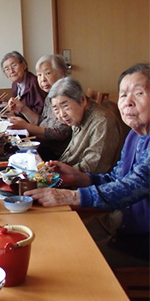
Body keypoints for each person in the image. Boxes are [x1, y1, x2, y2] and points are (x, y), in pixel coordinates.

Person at [24, 63, 150, 267]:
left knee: (64, 257)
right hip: (123, 223)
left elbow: (135, 185)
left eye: (138, 93)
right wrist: (79, 178)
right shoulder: (136, 135)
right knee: (51, 241)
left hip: (140, 237)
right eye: (123, 95)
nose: (128, 102)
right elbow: (117, 177)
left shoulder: (106, 122)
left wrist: (72, 195)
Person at [48, 77, 121, 173]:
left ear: (82, 100)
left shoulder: (102, 121)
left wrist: (59, 173)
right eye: (56, 109)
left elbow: (93, 167)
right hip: (69, 172)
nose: (62, 115)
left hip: (88, 182)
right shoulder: (78, 116)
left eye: (65, 106)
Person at [8, 55, 72, 160]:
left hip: (57, 154)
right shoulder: (50, 95)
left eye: (47, 73)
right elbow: (42, 121)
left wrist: (26, 126)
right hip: (44, 147)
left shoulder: (66, 96)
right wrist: (23, 109)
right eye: (39, 75)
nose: (43, 79)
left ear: (61, 73)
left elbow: (61, 133)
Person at [1, 51, 47, 115]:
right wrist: (6, 103)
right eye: (7, 69)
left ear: (24, 65)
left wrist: (19, 111)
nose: (11, 71)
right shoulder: (15, 84)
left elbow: (41, 110)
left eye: (14, 65)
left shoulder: (35, 83)